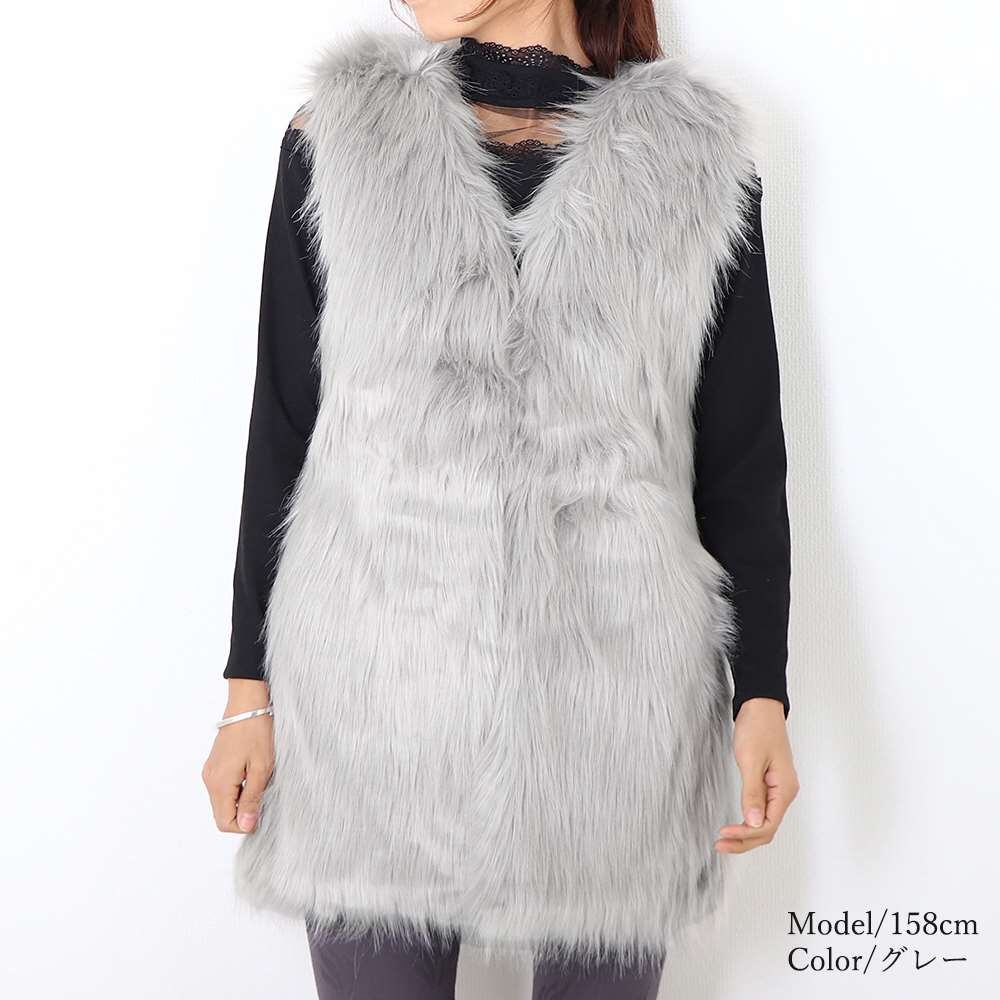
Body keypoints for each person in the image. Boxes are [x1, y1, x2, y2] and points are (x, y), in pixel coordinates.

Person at [201, 2, 800, 997]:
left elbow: (739, 457)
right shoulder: (342, 136)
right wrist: (244, 696)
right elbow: (284, 425)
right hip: (371, 716)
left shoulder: (695, 161)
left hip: (618, 716)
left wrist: (762, 693)